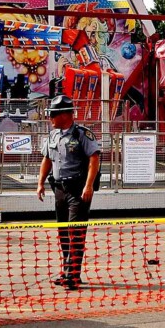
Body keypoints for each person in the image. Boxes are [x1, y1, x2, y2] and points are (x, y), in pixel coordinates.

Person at [35, 95, 101, 289]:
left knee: (76, 232)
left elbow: (94, 159)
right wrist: (40, 183)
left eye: (53, 114)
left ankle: (73, 274)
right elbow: (47, 159)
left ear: (65, 115)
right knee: (64, 232)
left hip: (78, 190)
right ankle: (67, 272)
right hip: (59, 190)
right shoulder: (53, 136)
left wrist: (88, 185)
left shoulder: (82, 134)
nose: (50, 118)